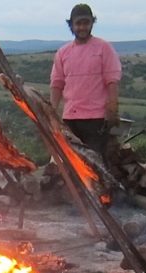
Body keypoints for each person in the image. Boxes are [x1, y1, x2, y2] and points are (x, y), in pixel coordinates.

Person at [50, 3, 121, 157]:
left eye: (86, 23)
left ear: (91, 23)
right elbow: (57, 84)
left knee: (95, 163)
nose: (82, 27)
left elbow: (112, 81)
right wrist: (52, 112)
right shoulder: (63, 52)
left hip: (96, 118)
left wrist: (113, 110)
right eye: (78, 23)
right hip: (70, 118)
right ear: (71, 25)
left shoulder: (104, 48)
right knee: (72, 161)